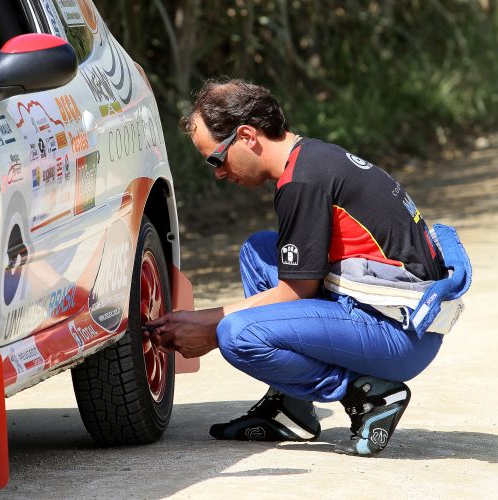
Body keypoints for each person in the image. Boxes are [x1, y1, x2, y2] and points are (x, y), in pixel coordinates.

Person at [148, 78, 471, 456]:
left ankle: (369, 395)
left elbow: (296, 292)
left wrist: (208, 325)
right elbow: (302, 280)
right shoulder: (311, 158)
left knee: (237, 334)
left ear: (247, 136)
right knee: (259, 250)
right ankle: (292, 409)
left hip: (400, 336)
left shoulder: (302, 182)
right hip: (399, 320)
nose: (219, 173)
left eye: (216, 159)